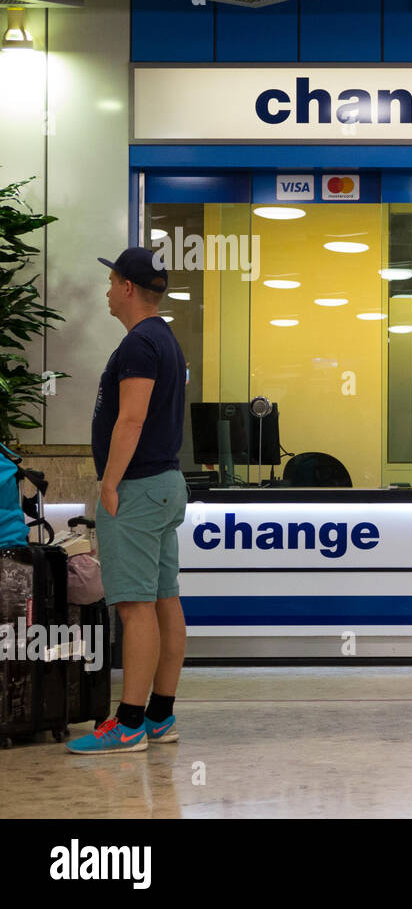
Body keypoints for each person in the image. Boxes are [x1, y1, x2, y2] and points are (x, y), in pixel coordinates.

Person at [66, 247, 188, 754]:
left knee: (135, 607)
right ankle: (160, 715)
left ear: (129, 289)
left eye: (112, 281)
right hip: (163, 485)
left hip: (136, 488)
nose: (107, 290)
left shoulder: (140, 345)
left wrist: (109, 484)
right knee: (163, 599)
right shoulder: (165, 340)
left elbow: (131, 419)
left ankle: (130, 723)